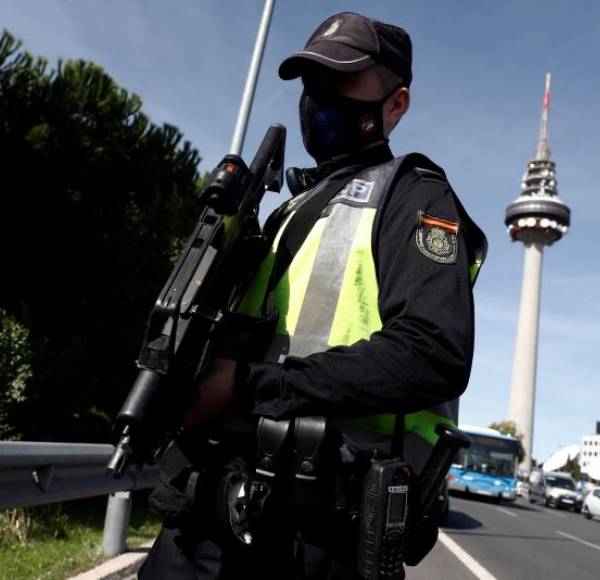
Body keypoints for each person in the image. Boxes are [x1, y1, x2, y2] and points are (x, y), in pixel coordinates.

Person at [140, 11, 487, 579]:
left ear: (395, 105)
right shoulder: (287, 210)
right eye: (312, 82)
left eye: (342, 81)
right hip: (208, 510)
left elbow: (434, 351)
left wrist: (251, 385)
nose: (320, 97)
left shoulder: (414, 197)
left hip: (312, 538)